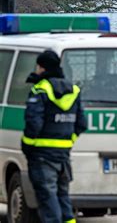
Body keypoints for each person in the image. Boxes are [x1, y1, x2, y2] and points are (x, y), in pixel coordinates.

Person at [23, 50, 87, 223]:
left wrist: (27, 145)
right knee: (62, 197)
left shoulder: (40, 89)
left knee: (47, 200)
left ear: (41, 67)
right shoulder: (73, 90)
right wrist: (68, 142)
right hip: (63, 156)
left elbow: (33, 124)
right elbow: (82, 124)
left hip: (42, 156)